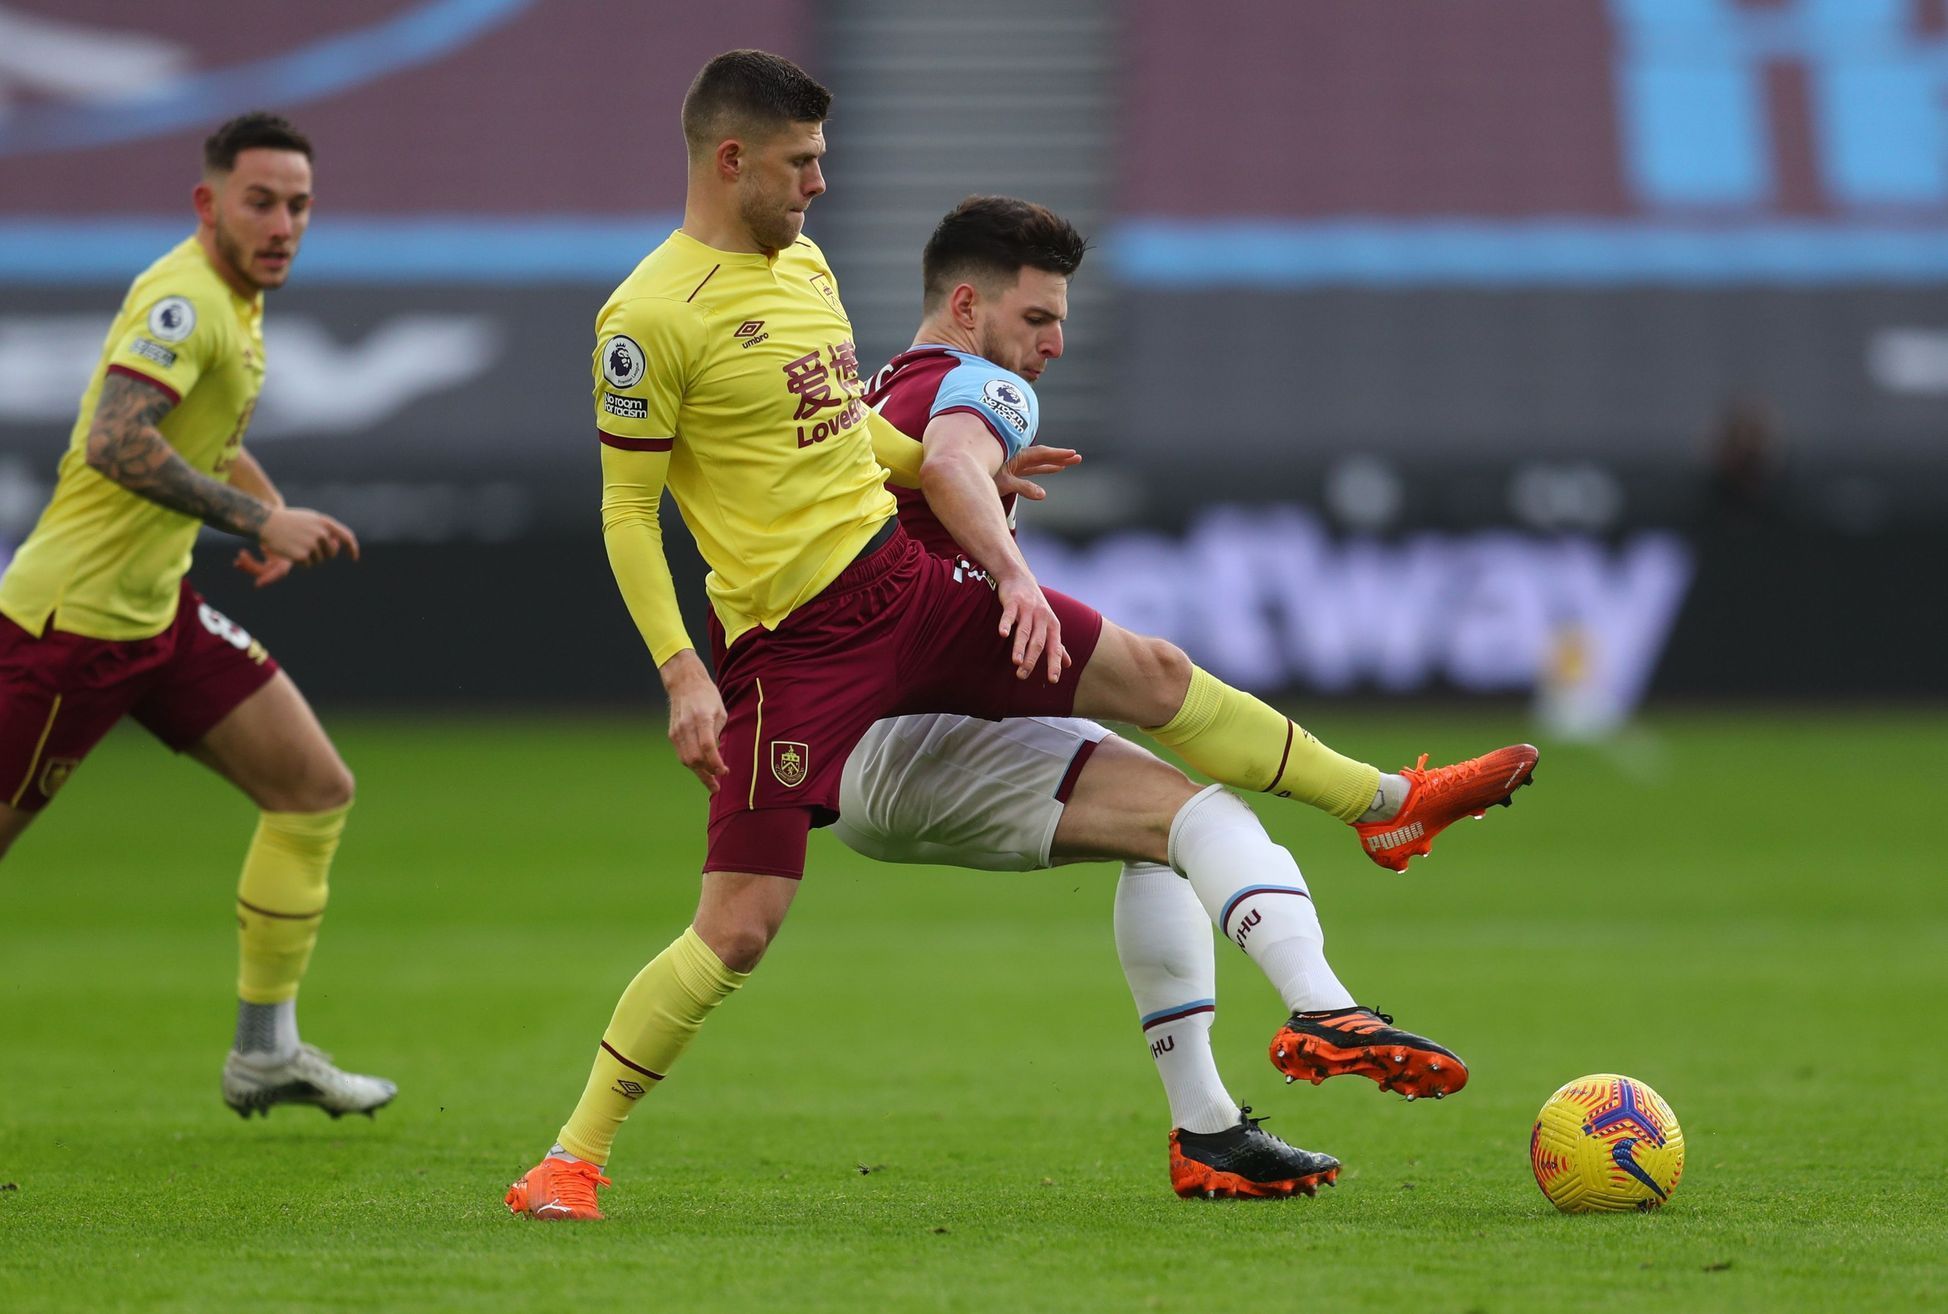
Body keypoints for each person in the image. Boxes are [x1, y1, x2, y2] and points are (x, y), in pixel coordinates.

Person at [505, 51, 1535, 1221]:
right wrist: (684, 675)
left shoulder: (804, 271)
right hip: (793, 650)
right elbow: (627, 513)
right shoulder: (645, 318)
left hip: (902, 585)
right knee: (739, 928)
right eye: (800, 165)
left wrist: (954, 489)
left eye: (825, 162)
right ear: (729, 159)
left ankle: (1382, 807)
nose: (819, 186)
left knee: (1147, 672)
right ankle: (571, 1158)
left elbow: (850, 443)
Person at [833, 195, 1522, 1199]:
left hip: (860, 739)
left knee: (1170, 830)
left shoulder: (891, 386)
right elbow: (946, 460)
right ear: (970, 308)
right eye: (1038, 319)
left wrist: (969, 483)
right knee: (1163, 695)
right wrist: (1003, 555)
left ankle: (1207, 1133)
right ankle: (1373, 847)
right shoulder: (983, 388)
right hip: (906, 729)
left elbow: (921, 468)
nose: (1057, 344)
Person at [0, 113, 395, 1120]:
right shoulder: (186, 299)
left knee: (312, 789)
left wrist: (253, 510)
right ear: (207, 203)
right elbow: (115, 441)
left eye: (298, 204)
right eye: (260, 201)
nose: (282, 224)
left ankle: (266, 1052)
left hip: (156, 618)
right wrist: (264, 518)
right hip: (68, 629)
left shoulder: (239, 300)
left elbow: (199, 436)